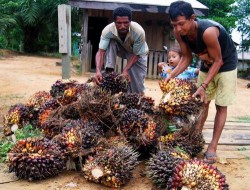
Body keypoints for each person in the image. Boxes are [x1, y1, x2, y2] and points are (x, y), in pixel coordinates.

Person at [168, 1, 237, 164]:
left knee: (221, 105)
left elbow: (218, 61)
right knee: (202, 103)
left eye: (181, 24)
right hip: (207, 63)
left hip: (225, 64)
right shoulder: (179, 33)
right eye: (174, 25)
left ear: (192, 18)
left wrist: (204, 85)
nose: (178, 29)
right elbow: (186, 57)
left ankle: (212, 147)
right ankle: (195, 139)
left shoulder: (208, 32)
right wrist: (171, 76)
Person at [94, 7, 148, 94]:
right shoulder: (108, 30)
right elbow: (101, 52)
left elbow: (137, 54)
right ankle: (109, 71)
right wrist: (98, 71)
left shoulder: (139, 31)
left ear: (130, 21)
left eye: (126, 23)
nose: (122, 26)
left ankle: (137, 94)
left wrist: (125, 70)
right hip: (121, 48)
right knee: (110, 42)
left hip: (137, 54)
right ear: (114, 22)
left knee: (137, 89)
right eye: (119, 23)